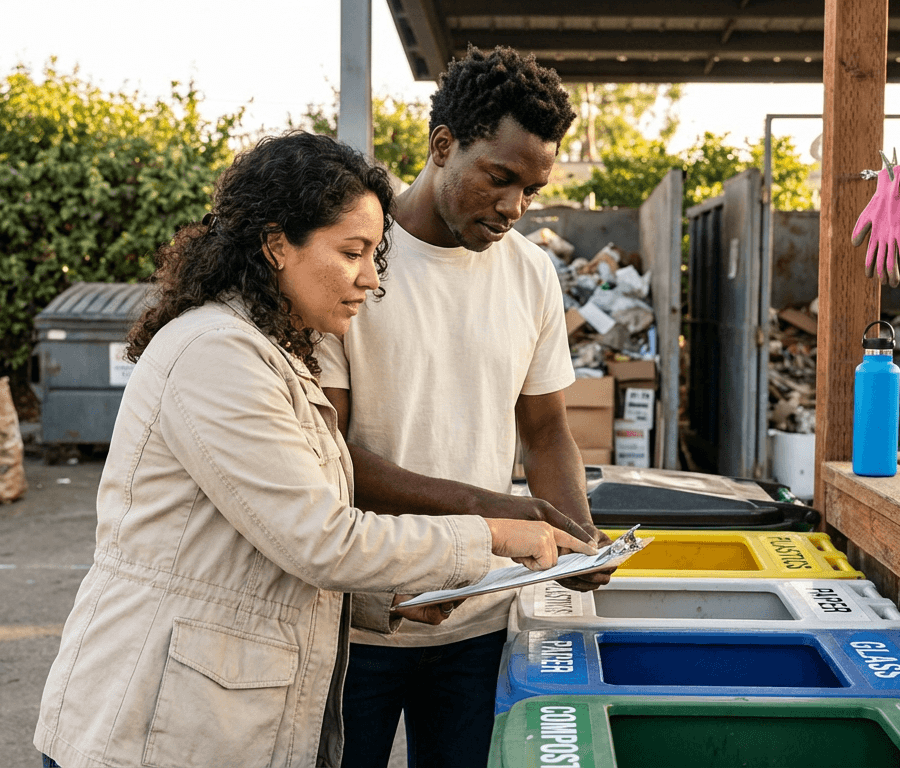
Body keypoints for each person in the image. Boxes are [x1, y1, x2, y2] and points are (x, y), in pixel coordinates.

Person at [32, 131, 594, 768]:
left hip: (203, 711)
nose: (370, 279)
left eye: (374, 255)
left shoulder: (274, 357)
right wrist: (491, 534)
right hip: (151, 724)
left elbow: (276, 542)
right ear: (276, 246)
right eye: (352, 252)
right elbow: (322, 539)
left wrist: (389, 601)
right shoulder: (216, 355)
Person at [319, 47, 608, 768]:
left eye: (533, 190)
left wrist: (574, 534)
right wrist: (496, 514)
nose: (514, 207)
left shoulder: (532, 274)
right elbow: (325, 456)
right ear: (442, 145)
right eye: (500, 178)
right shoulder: (356, 260)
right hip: (358, 620)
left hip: (480, 620)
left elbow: (545, 432)